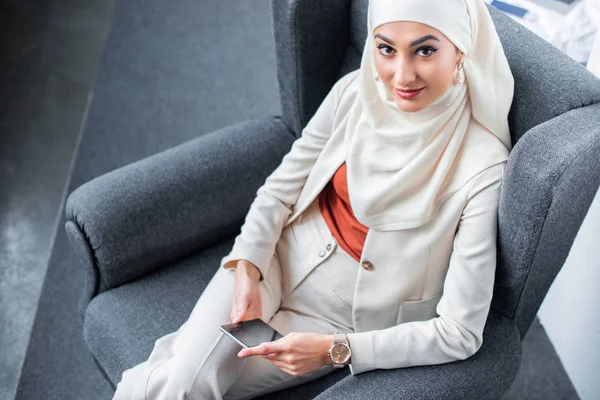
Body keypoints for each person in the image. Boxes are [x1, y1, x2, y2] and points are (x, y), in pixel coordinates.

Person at [112, 0, 514, 398]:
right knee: (186, 384)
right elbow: (279, 191)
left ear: (461, 49)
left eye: (425, 50)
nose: (401, 75)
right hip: (274, 260)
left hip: (342, 317)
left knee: (183, 384)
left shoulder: (483, 168)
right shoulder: (353, 95)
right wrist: (248, 267)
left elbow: (460, 333)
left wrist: (335, 350)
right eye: (386, 48)